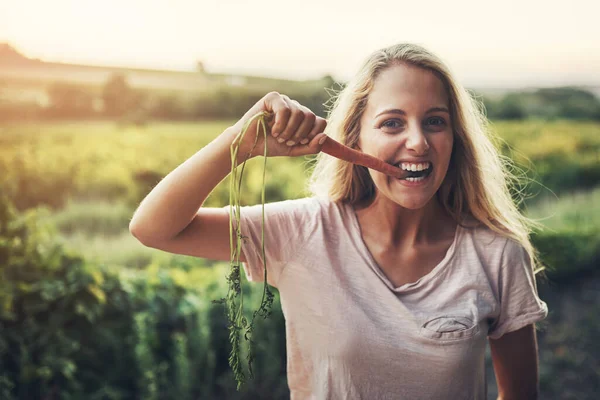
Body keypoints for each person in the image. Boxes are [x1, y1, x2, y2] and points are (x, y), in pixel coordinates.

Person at [129, 43, 548, 400]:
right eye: (392, 123)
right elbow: (153, 228)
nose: (418, 141)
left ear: (455, 138)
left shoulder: (497, 254)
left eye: (435, 122)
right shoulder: (303, 232)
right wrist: (240, 142)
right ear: (356, 137)